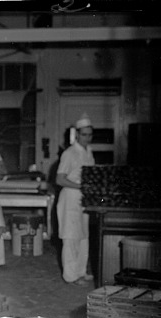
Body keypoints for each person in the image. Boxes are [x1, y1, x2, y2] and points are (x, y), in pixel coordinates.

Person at [55, 114, 95, 285]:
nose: (87, 138)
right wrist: (81, 187)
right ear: (77, 134)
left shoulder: (88, 152)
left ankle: (81, 271)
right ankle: (70, 276)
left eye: (90, 134)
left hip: (83, 200)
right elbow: (59, 179)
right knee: (71, 238)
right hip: (70, 199)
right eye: (84, 134)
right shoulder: (69, 153)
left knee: (83, 236)